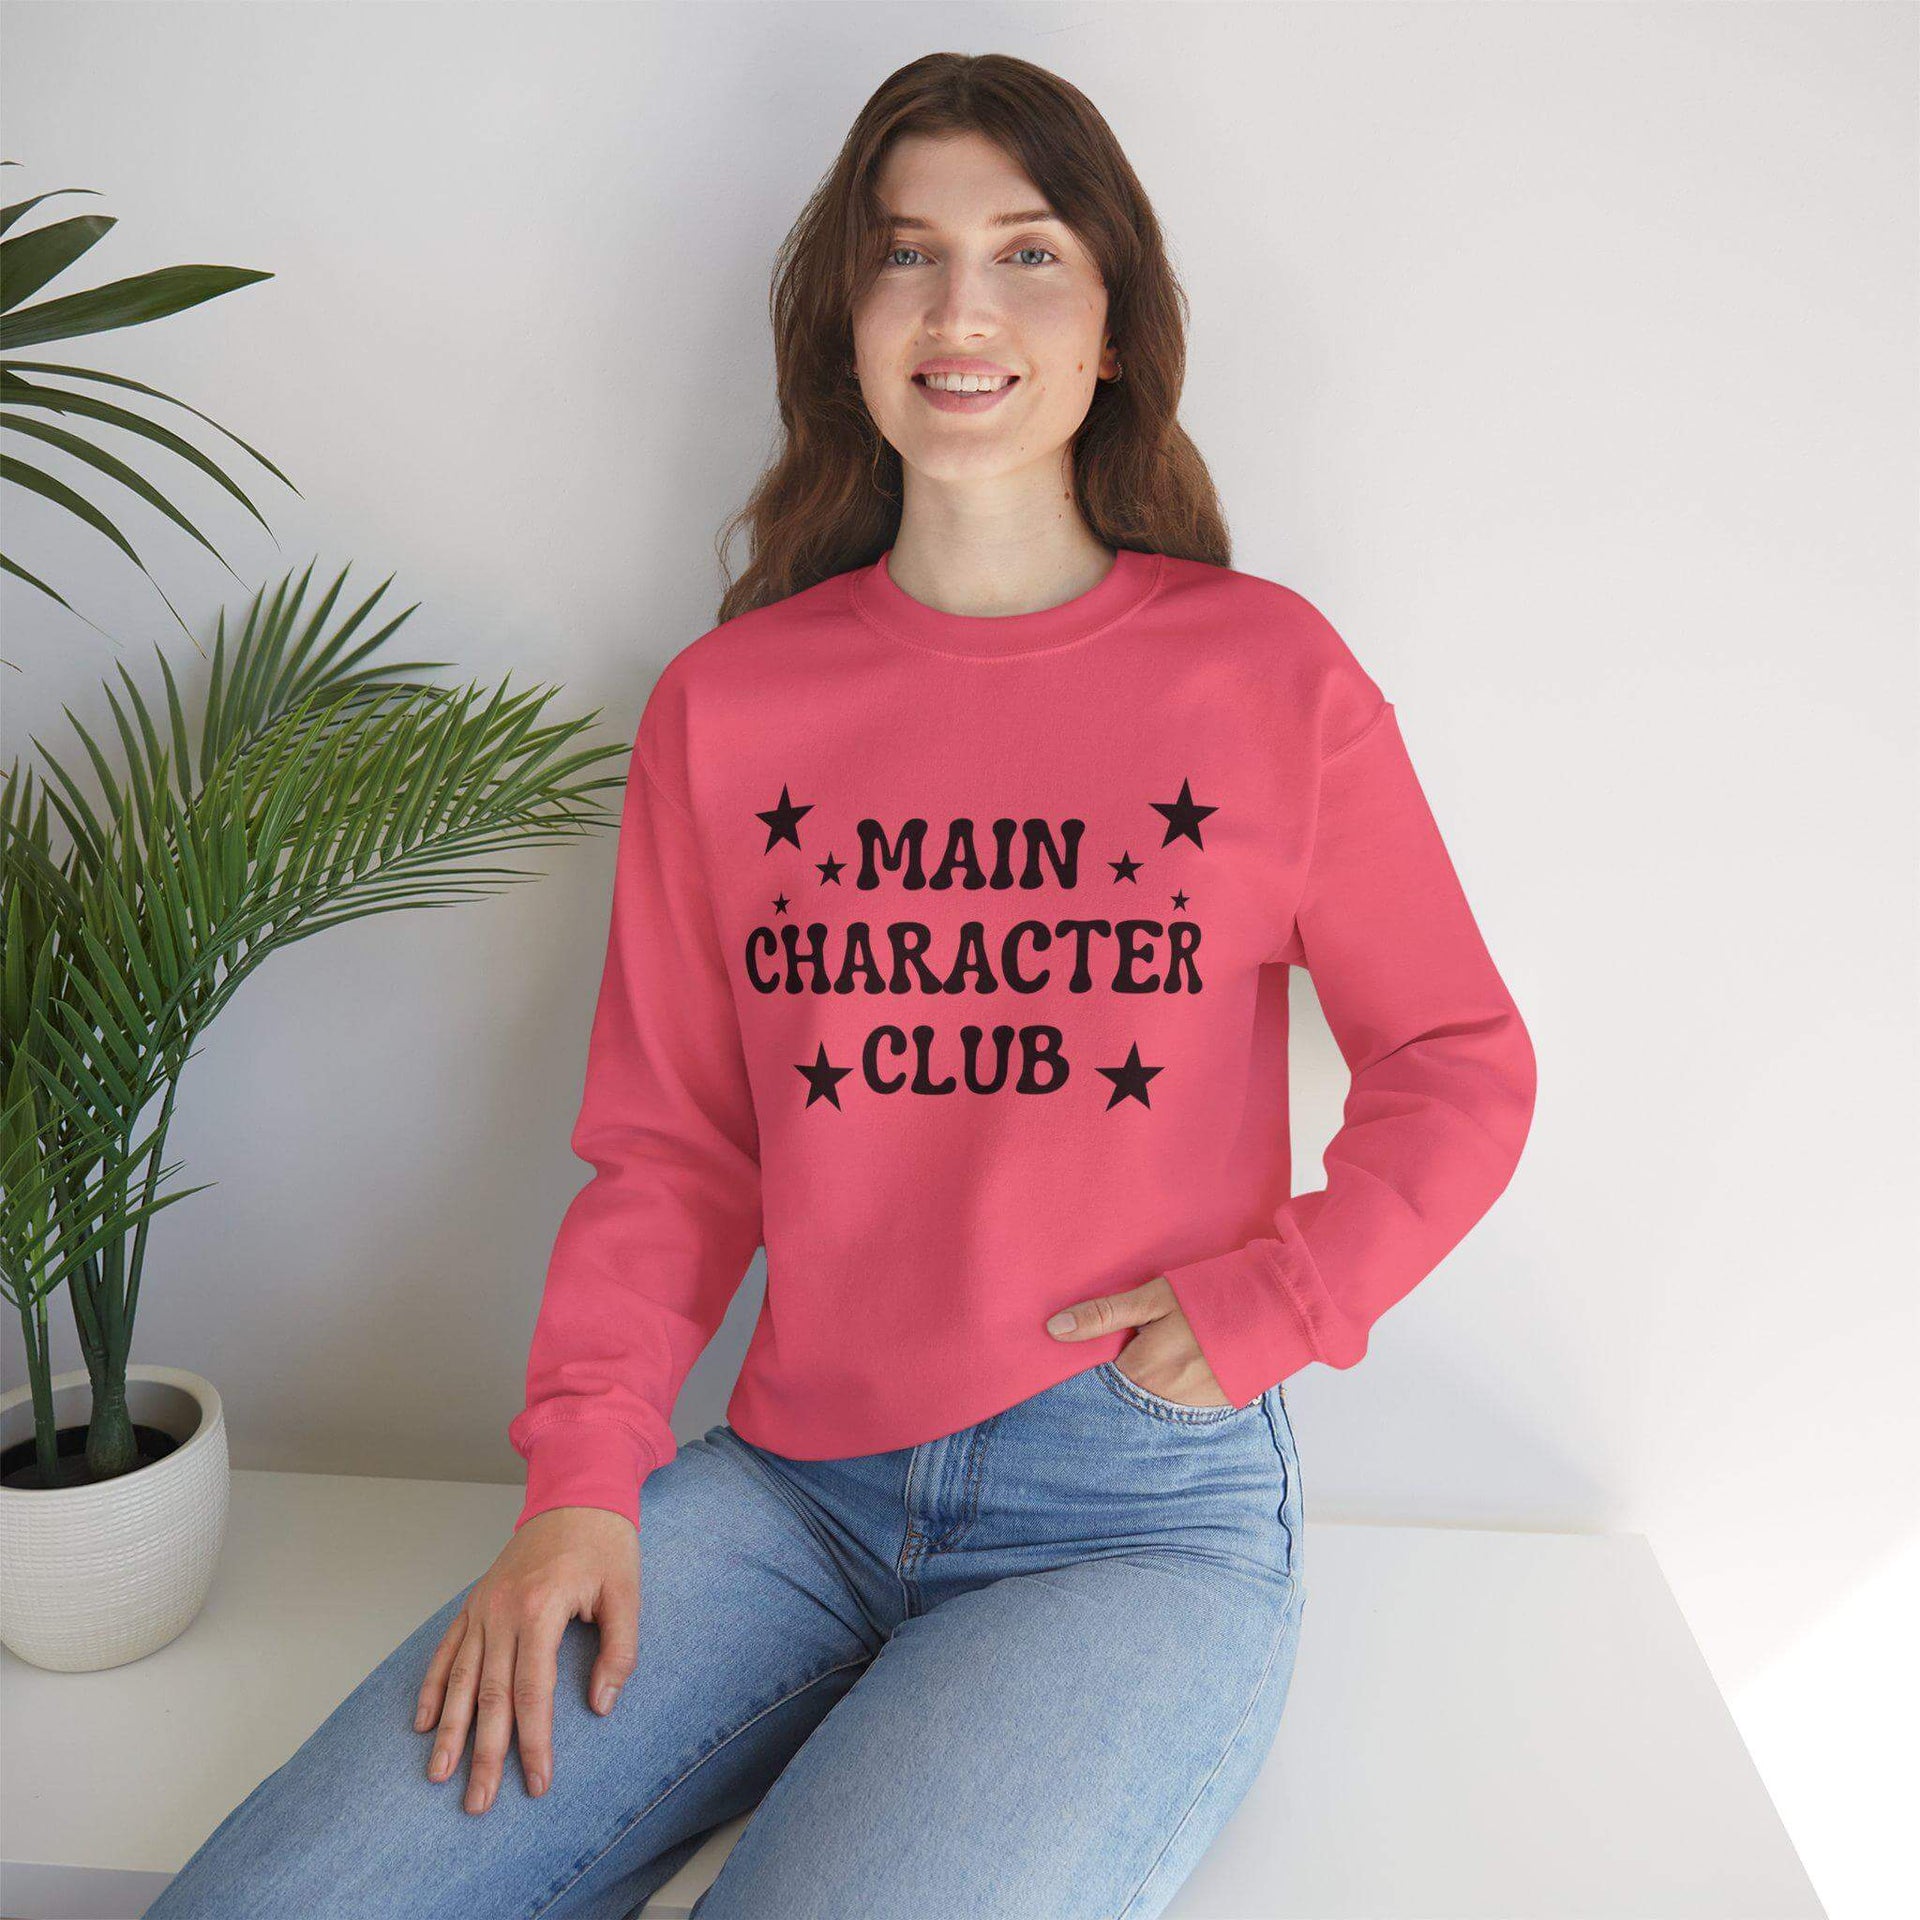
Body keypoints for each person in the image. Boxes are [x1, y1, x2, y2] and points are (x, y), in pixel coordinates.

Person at [146, 50, 1536, 1920]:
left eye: (1028, 254)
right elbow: (674, 1153)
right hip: (790, 1488)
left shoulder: (1265, 678)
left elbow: (1459, 1059)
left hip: (1129, 1514)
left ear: (1113, 325)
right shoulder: (732, 706)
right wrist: (580, 1478)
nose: (963, 309)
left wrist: (1282, 1296)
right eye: (907, 257)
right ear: (850, 320)